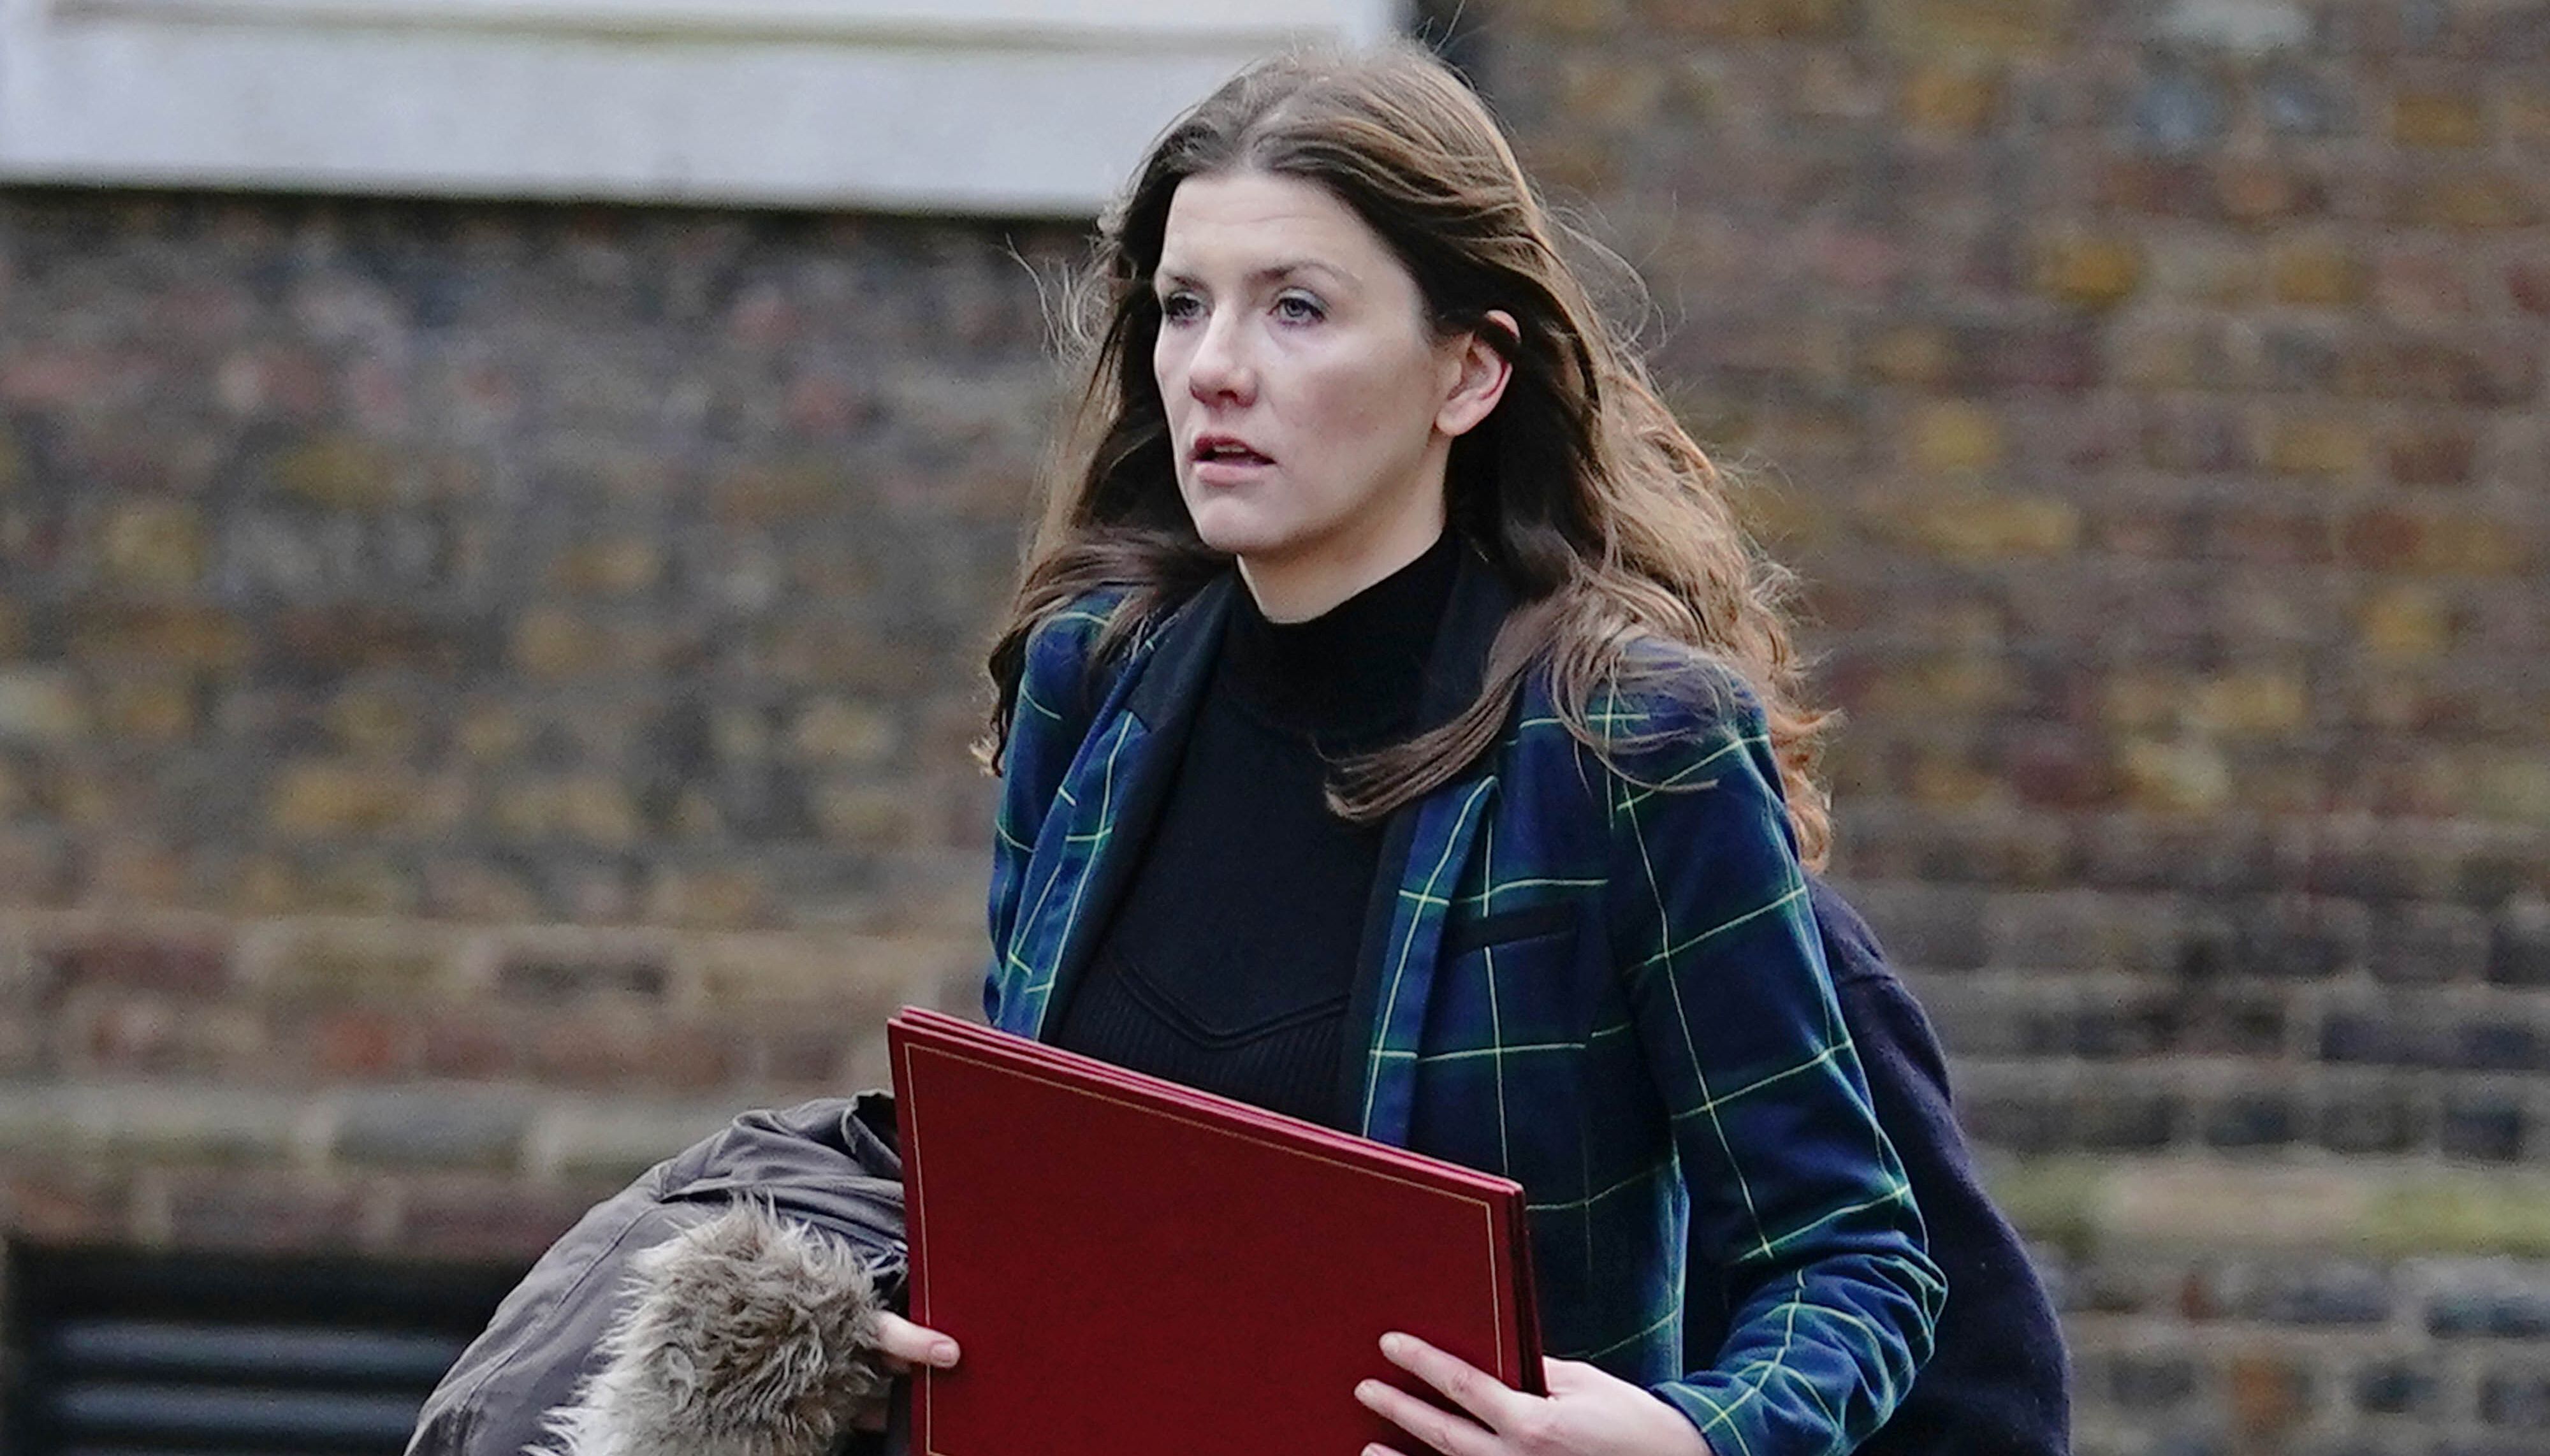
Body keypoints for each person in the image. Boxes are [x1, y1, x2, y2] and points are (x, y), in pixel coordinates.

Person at [872, 41, 1953, 1456]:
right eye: (1183, 306)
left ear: (1467, 371)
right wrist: (906, 1302)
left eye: (1297, 310)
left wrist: (1688, 1437)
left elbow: (1853, 1257)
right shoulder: (1090, 688)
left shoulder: (1631, 747)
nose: (1213, 370)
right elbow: (1033, 1179)